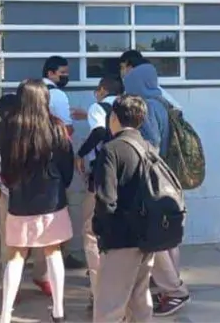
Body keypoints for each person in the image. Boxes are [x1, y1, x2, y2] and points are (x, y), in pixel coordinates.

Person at [0, 80, 75, 323]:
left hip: (19, 198)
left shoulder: (7, 127)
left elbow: (1, 163)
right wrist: (60, 185)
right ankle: (58, 310)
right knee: (53, 252)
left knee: (16, 255)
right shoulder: (56, 127)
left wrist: (9, 183)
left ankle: (5, 314)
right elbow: (67, 166)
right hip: (52, 198)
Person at [121, 58, 190, 315]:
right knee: (168, 237)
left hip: (152, 180)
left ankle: (173, 290)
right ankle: (170, 286)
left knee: (156, 238)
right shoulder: (163, 101)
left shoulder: (148, 106)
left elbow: (152, 143)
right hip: (167, 178)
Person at [91, 95, 157, 322]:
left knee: (109, 306)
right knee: (139, 300)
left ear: (114, 118)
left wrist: (100, 231)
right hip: (147, 234)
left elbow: (106, 200)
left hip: (120, 238)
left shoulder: (111, 150)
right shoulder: (149, 147)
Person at [0, 93, 52, 298]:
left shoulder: (30, 130)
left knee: (13, 243)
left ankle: (21, 283)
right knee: (39, 240)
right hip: (25, 194)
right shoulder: (5, 133)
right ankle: (31, 279)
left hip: (17, 193)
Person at [78, 75, 122, 307]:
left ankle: (98, 290)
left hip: (103, 175)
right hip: (127, 175)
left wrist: (80, 153)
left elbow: (98, 133)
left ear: (102, 90)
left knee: (91, 230)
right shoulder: (128, 106)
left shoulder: (98, 107)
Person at [40, 55, 88, 270]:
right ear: (50, 73)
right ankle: (63, 253)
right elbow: (67, 129)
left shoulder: (29, 91)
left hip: (30, 157)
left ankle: (36, 258)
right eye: (63, 73)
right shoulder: (57, 94)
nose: (66, 77)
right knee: (63, 206)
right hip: (56, 158)